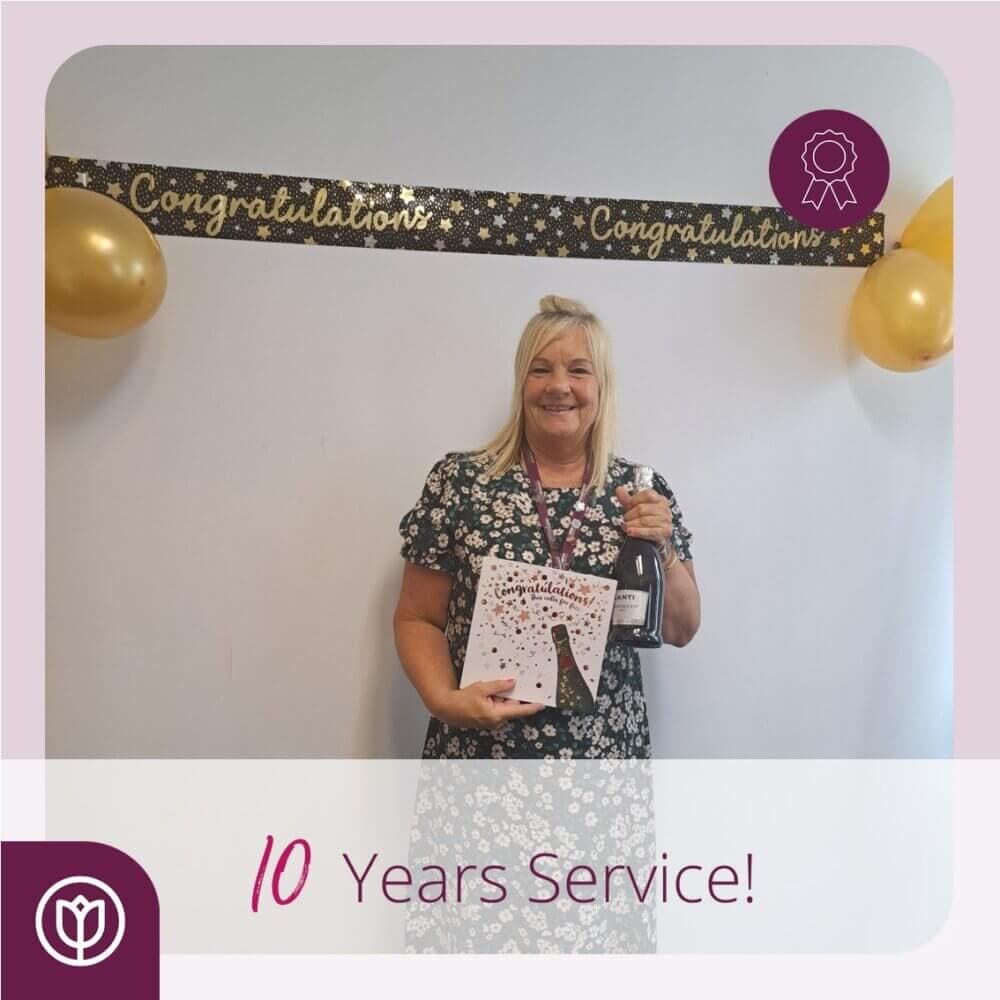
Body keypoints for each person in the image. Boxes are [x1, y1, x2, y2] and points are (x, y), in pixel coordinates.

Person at [394, 295, 701, 760]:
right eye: (540, 370)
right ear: (521, 383)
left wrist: (665, 548)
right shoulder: (461, 482)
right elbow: (418, 617)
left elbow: (681, 628)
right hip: (480, 754)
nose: (559, 386)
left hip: (603, 761)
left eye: (578, 370)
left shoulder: (640, 491)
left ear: (602, 386)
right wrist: (443, 701)